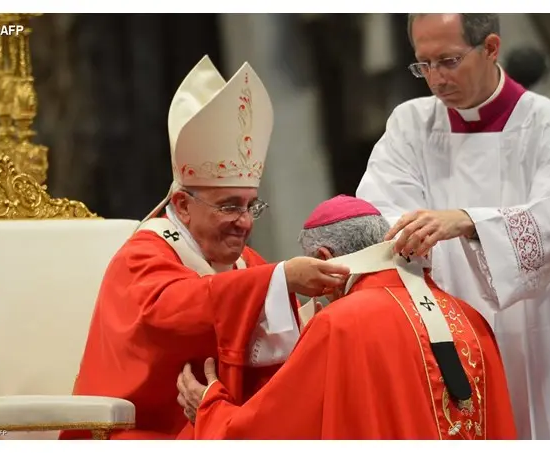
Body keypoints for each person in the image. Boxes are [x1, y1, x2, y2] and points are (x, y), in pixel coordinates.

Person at [355, 13, 550, 440]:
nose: (436, 79)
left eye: (449, 60)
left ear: (491, 48)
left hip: (544, 336)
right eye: (424, 64)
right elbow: (380, 212)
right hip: (449, 332)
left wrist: (470, 221)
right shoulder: (411, 126)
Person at [60, 56, 349, 440]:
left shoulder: (247, 265)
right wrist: (281, 279)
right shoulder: (143, 255)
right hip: (145, 432)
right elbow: (171, 312)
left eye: (251, 206)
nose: (244, 222)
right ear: (182, 205)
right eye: (229, 206)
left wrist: (323, 304)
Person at [175, 195, 518, 440]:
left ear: (325, 258)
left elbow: (271, 429)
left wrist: (211, 409)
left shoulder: (340, 324)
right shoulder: (472, 320)